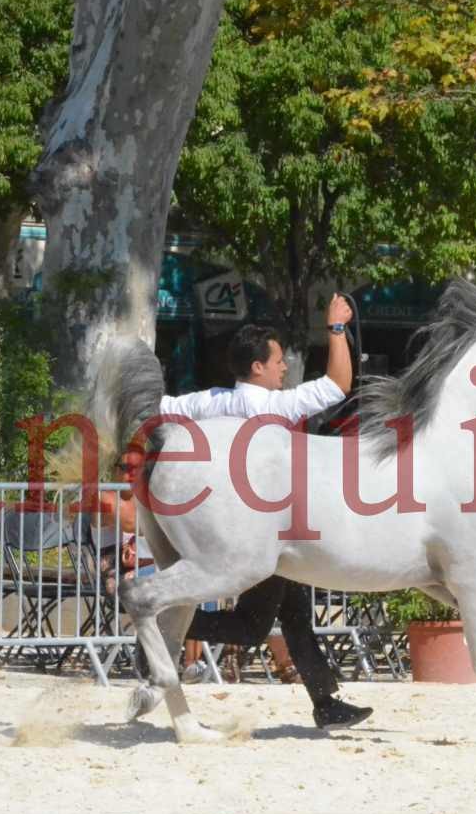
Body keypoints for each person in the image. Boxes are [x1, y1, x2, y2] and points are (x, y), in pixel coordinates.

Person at [152, 295, 372, 731]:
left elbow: (160, 410)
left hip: (236, 524)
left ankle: (325, 701)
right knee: (252, 628)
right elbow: (338, 384)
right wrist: (334, 328)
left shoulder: (209, 401)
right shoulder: (274, 406)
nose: (283, 369)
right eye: (276, 363)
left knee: (293, 613)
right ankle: (163, 628)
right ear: (257, 368)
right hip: (268, 528)